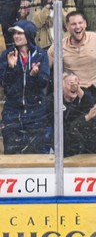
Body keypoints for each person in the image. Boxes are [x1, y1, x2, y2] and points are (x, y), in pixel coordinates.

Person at [0, 21, 51, 154]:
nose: (16, 36)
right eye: (14, 33)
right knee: (12, 153)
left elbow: (44, 83)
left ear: (28, 34)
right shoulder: (7, 55)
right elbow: (4, 83)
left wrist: (34, 75)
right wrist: (11, 68)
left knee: (36, 153)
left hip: (35, 112)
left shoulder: (41, 55)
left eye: (19, 33)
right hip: (13, 111)